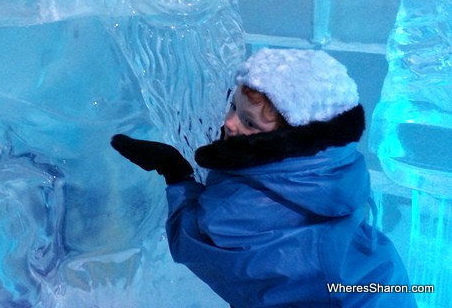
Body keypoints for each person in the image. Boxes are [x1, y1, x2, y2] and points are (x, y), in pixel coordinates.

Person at [111, 47, 417, 307]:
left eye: (249, 121)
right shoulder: (335, 168)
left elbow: (192, 241)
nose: (229, 123)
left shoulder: (247, 204)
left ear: (292, 137)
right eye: (233, 106)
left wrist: (175, 173)